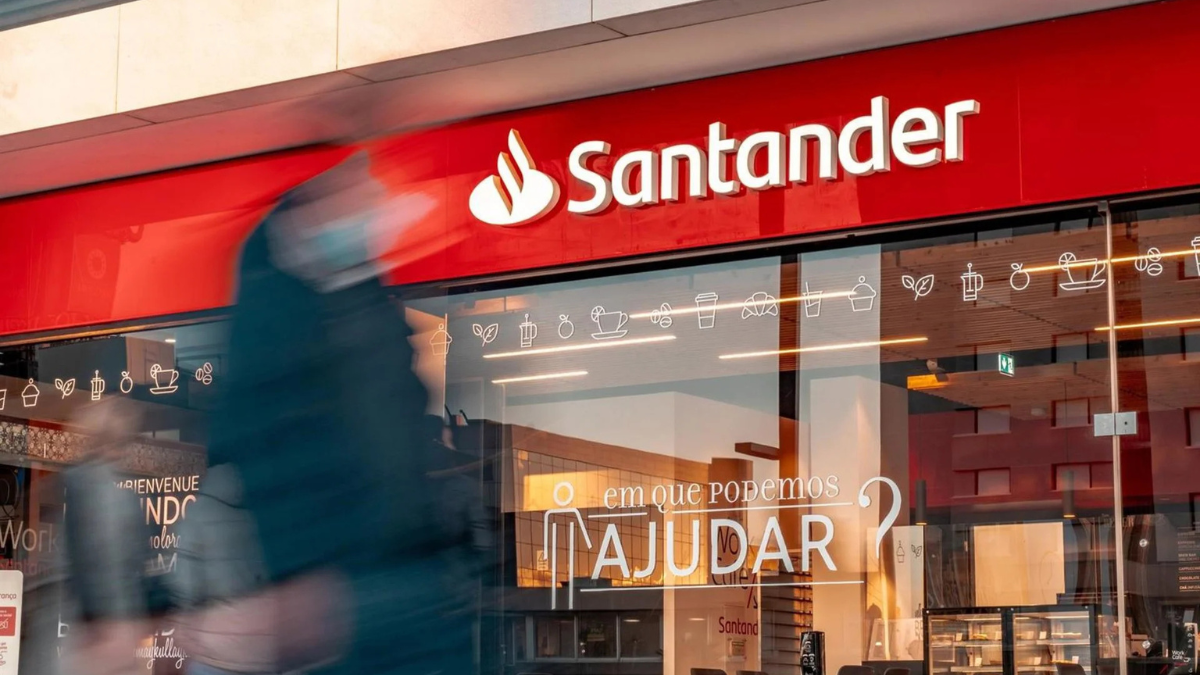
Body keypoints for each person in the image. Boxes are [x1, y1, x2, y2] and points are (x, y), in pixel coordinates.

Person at [182, 146, 483, 675]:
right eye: (352, 185)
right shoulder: (277, 300)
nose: (376, 193)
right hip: (341, 596)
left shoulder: (359, 302)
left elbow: (400, 418)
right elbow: (262, 436)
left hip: (393, 588)